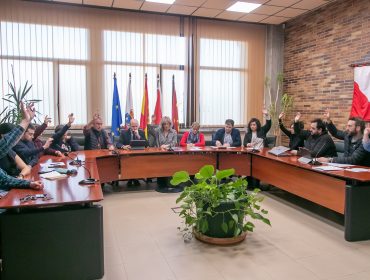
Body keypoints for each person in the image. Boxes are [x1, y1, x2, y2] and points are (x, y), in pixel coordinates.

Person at [0, 102, 43, 191]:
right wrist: (26, 120)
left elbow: (5, 179)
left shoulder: (10, 151)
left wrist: (29, 183)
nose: (16, 140)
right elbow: (6, 144)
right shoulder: (4, 147)